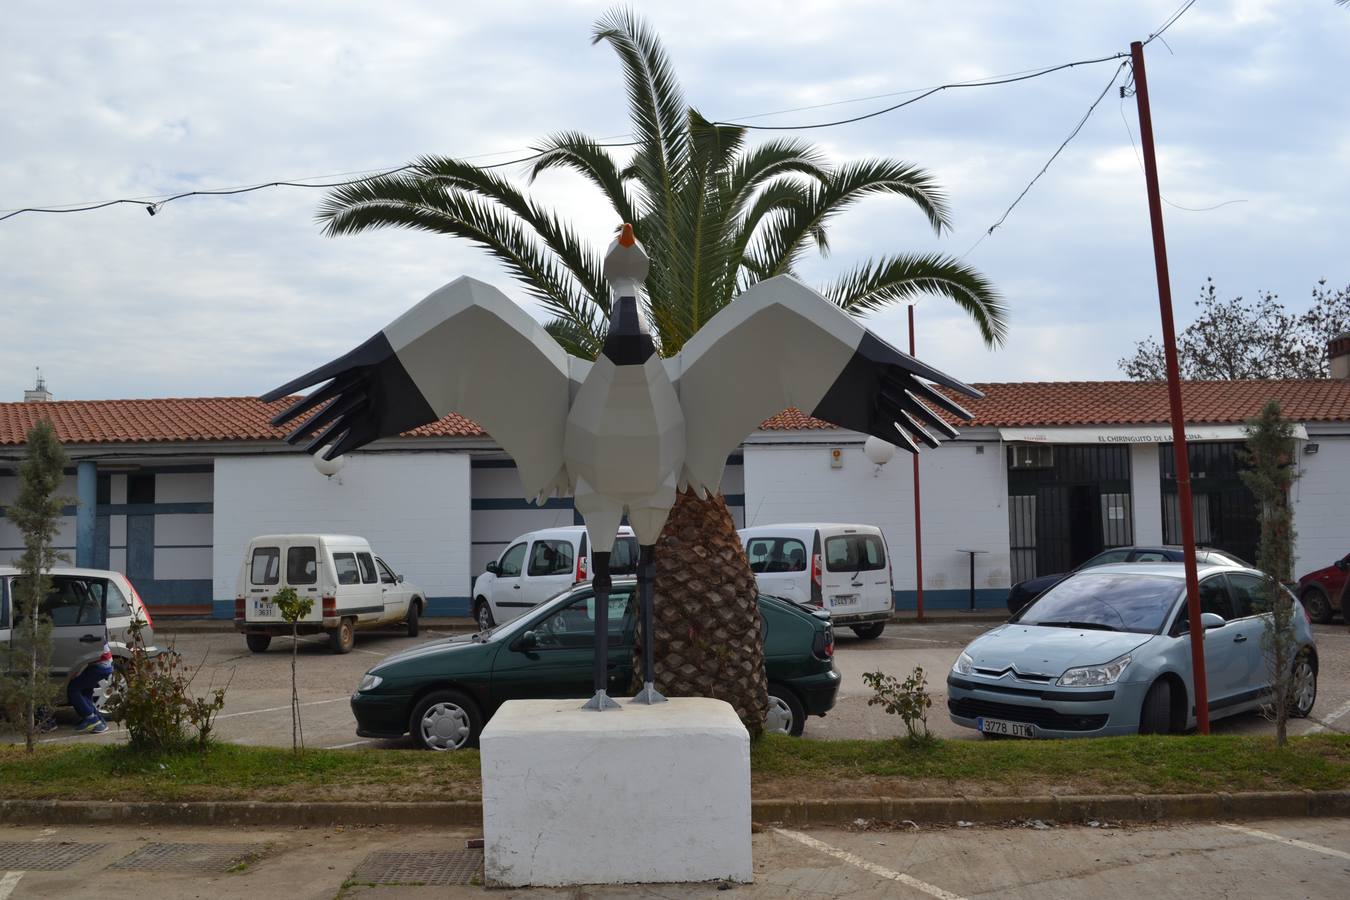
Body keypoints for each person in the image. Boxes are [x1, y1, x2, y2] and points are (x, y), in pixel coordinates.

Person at [67, 641, 113, 734]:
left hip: (100, 667)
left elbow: (86, 656)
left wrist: (78, 672)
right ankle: (100, 722)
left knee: (73, 689)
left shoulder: (90, 636)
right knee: (85, 692)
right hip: (104, 665)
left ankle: (92, 719)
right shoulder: (96, 634)